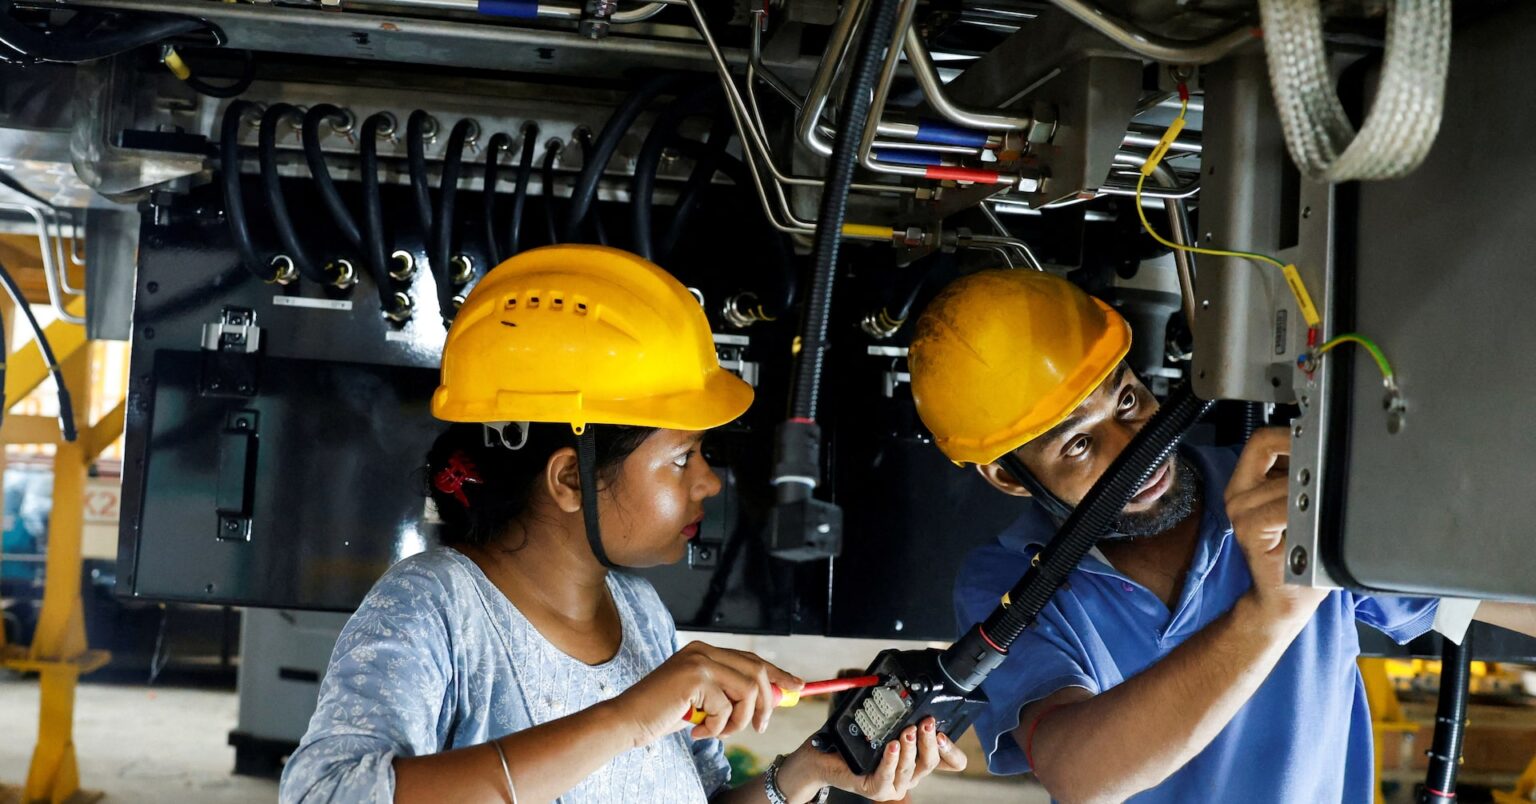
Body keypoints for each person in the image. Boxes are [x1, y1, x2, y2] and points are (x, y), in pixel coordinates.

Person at [280, 245, 966, 804]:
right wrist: (627, 717)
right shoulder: (434, 606)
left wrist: (811, 771)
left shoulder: (637, 611)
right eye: (681, 458)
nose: (709, 481)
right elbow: (327, 795)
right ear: (571, 479)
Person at [906, 269, 1536, 802]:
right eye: (1078, 443)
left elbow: (1496, 595)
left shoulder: (1282, 495)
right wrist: (1269, 616)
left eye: (1126, 403)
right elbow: (1078, 771)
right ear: (1008, 478)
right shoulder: (1009, 582)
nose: (1138, 454)